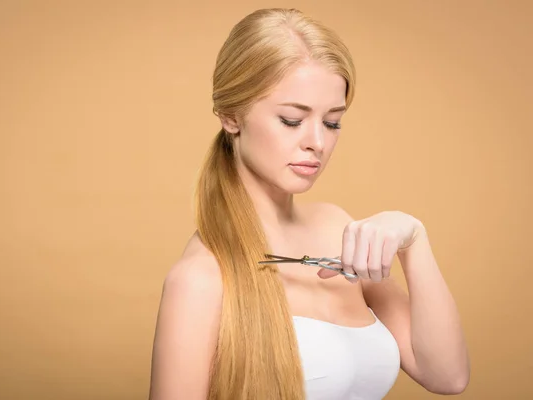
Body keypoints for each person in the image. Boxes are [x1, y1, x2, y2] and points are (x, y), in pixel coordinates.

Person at [148, 7, 470, 400]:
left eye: (332, 122)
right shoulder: (200, 279)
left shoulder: (337, 229)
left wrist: (414, 239)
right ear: (232, 116)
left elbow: (447, 376)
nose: (317, 142)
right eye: (291, 120)